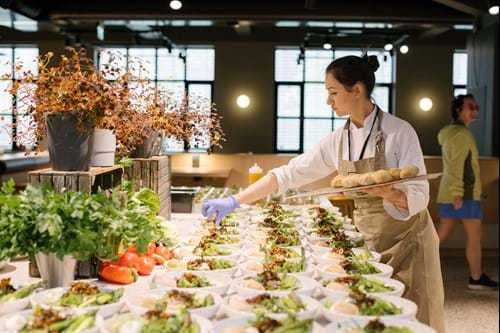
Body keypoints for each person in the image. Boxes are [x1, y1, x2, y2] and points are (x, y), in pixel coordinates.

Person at [202, 54, 445, 332]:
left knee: (420, 316)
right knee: (377, 318)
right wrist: (235, 201)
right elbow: (287, 174)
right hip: (369, 239)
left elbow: (420, 194)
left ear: (357, 90)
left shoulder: (399, 132)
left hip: (410, 241)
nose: (328, 101)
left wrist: (388, 192)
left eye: (333, 92)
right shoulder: (338, 140)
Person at [437, 94, 498, 290]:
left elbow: (464, 167)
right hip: (462, 195)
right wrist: (458, 193)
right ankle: (476, 277)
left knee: (443, 234)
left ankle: (414, 264)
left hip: (457, 193)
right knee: (474, 234)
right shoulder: (461, 135)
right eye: (470, 107)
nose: (474, 111)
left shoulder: (453, 133)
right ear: (458, 111)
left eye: (476, 107)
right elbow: (457, 166)